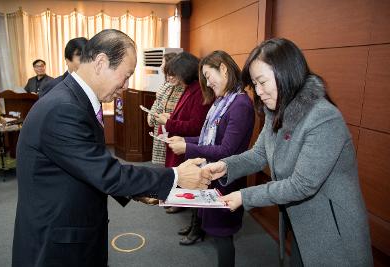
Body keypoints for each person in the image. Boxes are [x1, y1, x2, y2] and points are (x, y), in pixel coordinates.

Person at [12, 29, 211, 267]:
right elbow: (105, 173)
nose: (125, 86)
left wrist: (136, 190)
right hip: (57, 244)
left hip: (70, 229)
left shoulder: (72, 98)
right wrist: (176, 175)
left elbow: (88, 165)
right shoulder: (63, 108)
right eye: (125, 75)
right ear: (101, 62)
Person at [203, 38, 373, 266]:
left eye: (262, 82)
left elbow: (302, 184)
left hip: (332, 229)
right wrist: (225, 166)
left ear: (286, 73)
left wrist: (244, 196)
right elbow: (258, 155)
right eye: (255, 84)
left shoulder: (323, 117)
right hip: (303, 225)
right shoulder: (276, 110)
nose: (259, 92)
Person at [168, 51, 255, 266]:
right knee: (217, 232)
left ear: (223, 68)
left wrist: (187, 147)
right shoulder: (223, 102)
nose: (208, 82)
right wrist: (185, 138)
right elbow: (209, 138)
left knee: (223, 235)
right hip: (213, 177)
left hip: (226, 181)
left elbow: (226, 150)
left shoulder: (240, 105)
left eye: (209, 75)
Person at [154, 51, 211, 214]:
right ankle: (176, 200)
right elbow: (184, 114)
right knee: (177, 174)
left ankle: (181, 203)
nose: (174, 79)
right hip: (180, 140)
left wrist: (169, 122)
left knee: (187, 179)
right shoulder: (189, 88)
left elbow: (195, 126)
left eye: (176, 74)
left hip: (187, 144)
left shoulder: (199, 91)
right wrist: (170, 116)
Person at [147, 52, 184, 165]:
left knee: (171, 163)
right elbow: (158, 103)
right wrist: (151, 116)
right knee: (166, 164)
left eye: (163, 62)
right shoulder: (167, 84)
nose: (161, 66)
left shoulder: (179, 87)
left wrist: (153, 117)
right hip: (161, 126)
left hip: (169, 128)